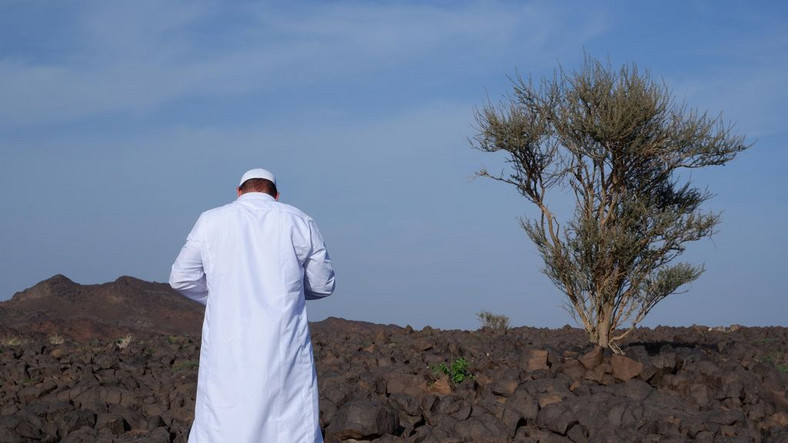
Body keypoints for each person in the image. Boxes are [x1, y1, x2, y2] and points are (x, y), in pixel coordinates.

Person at [169, 168, 335, 443]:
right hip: (283, 339)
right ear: (276, 195)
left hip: (228, 337)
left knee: (223, 413)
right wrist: (287, 294)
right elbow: (322, 284)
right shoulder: (299, 221)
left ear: (238, 192)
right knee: (288, 415)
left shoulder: (211, 220)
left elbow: (181, 278)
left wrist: (220, 298)